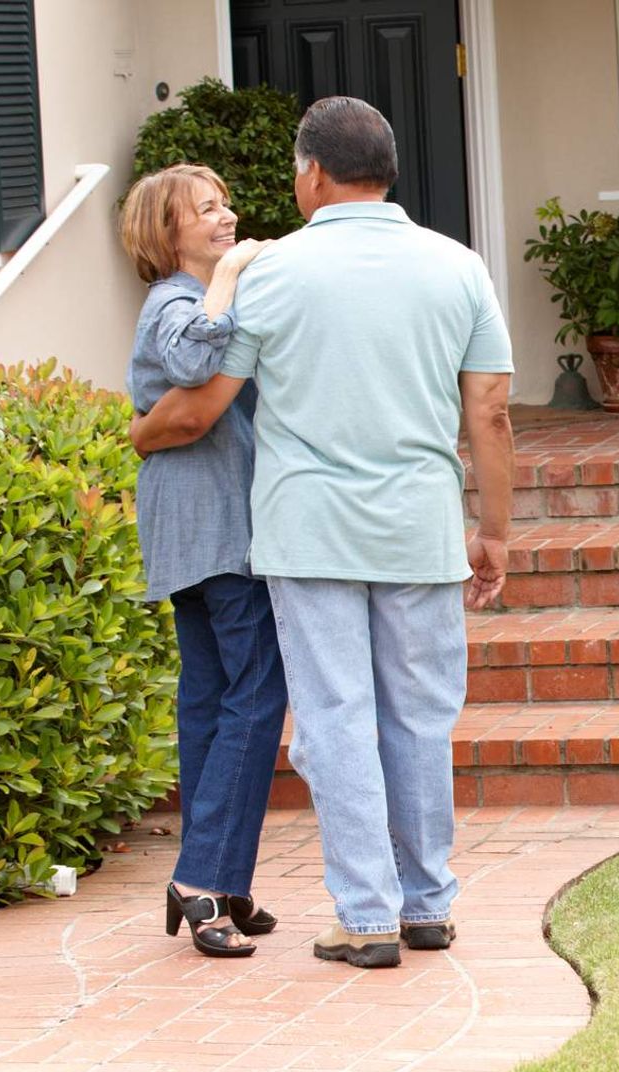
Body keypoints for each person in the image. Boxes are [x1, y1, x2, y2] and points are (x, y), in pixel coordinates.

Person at [131, 96, 516, 970]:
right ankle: (427, 903)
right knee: (419, 716)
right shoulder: (458, 266)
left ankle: (367, 916)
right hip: (421, 528)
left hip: (309, 535)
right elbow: (489, 411)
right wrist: (493, 532)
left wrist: (141, 431)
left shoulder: (272, 273)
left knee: (337, 719)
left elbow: (205, 405)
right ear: (386, 169)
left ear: (311, 172)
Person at [119, 165, 286, 960]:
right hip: (212, 517)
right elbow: (190, 364)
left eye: (225, 205)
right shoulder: (176, 303)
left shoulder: (190, 299)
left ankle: (221, 880)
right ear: (167, 232)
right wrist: (228, 275)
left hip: (192, 514)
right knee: (256, 692)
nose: (226, 218)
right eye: (206, 210)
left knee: (213, 695)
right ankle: (201, 877)